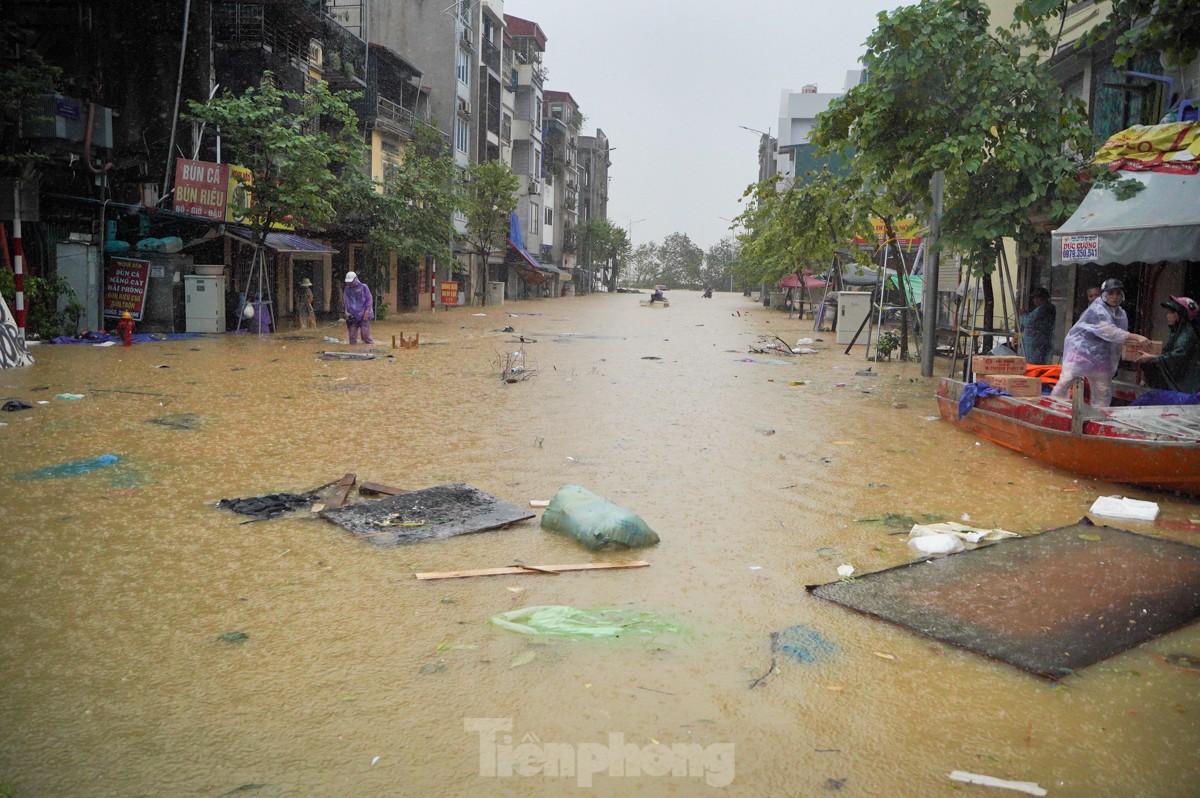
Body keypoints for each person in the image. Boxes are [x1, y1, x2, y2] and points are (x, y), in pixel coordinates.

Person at [1050, 278, 1147, 406]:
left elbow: (1118, 337)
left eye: (1118, 293)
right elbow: (1109, 332)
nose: (1115, 297)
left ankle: (1097, 418)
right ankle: (1054, 408)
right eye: (1111, 293)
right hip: (1081, 352)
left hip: (1102, 357)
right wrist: (1137, 337)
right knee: (1066, 381)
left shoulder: (1120, 313)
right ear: (1104, 294)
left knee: (1102, 391)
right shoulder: (1097, 309)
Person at [1133, 296, 1200, 393]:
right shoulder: (1179, 332)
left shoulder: (1186, 335)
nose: (1167, 316)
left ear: (1178, 315)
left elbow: (1177, 358)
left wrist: (1153, 358)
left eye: (1171, 313)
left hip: (1186, 387)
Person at [1019, 286, 1055, 365]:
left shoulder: (1043, 309)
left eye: (1035, 298)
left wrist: (1023, 314)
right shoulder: (1046, 308)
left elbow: (1029, 322)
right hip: (1039, 342)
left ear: (1041, 298)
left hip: (1037, 343)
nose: (1034, 300)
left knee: (1035, 364)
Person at [341, 271, 374, 345]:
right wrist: (346, 312)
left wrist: (367, 311)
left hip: (364, 314)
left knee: (365, 336)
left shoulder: (364, 287)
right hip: (352, 315)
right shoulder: (347, 289)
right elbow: (346, 301)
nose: (350, 284)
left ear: (355, 279)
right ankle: (353, 351)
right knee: (352, 337)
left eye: (351, 282)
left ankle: (371, 347)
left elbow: (369, 299)